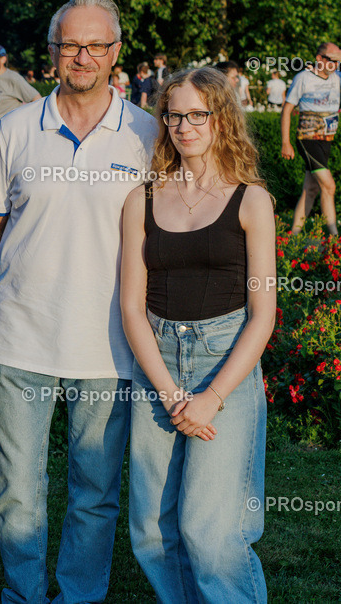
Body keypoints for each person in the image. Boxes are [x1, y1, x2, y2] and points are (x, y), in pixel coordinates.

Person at [0, 0, 158, 603]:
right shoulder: (18, 128)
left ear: (115, 52)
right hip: (22, 340)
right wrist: (33, 277)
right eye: (71, 44)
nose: (83, 55)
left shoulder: (147, 133)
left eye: (96, 44)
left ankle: (79, 598)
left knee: (95, 496)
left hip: (109, 348)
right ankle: (23, 597)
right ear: (52, 51)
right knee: (17, 495)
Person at [121, 66, 275, 603]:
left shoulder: (251, 201)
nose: (184, 126)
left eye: (197, 115)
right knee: (152, 534)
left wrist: (209, 399)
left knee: (210, 535)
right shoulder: (140, 199)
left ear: (221, 119)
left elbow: (263, 313)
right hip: (158, 365)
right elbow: (130, 307)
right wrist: (169, 393)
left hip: (223, 363)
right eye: (174, 115)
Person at [281, 42, 341, 235]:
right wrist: (285, 142)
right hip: (307, 139)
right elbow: (287, 110)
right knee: (329, 186)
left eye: (339, 61)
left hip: (326, 140)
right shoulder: (303, 78)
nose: (336, 65)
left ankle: (294, 236)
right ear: (319, 59)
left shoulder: (338, 78)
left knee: (311, 189)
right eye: (332, 60)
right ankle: (334, 236)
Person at [0, 43, 41, 141]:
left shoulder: (13, 78)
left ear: (3, 59)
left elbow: (37, 99)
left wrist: (27, 125)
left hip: (6, 134)